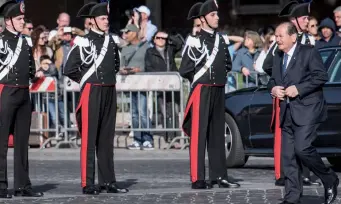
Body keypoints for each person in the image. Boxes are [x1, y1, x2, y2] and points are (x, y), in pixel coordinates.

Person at [268, 21, 339, 204]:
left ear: (293, 37)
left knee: (302, 149)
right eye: (276, 36)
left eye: (280, 36)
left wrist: (298, 89)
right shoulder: (277, 56)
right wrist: (274, 89)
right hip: (287, 111)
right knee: (288, 156)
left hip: (308, 109)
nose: (277, 39)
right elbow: (273, 79)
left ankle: (329, 178)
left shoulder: (308, 52)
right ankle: (292, 197)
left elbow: (321, 76)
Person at [63, 1, 128, 195]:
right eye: (102, 18)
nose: (106, 21)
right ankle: (88, 182)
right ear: (92, 21)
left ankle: (109, 181)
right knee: (90, 139)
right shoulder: (83, 41)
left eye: (107, 18)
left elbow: (115, 65)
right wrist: (86, 80)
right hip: (91, 90)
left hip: (109, 89)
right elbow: (69, 69)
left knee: (107, 139)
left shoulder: (111, 41)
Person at [179, 0, 240, 189]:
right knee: (199, 134)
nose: (217, 18)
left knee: (217, 134)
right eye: (213, 15)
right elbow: (185, 69)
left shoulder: (221, 40)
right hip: (202, 90)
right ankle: (198, 177)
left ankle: (219, 175)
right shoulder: (194, 41)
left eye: (217, 14)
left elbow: (227, 64)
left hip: (218, 89)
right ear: (203, 19)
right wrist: (202, 80)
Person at [263, 0, 320, 187]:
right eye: (305, 18)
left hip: (303, 98)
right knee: (286, 139)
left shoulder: (308, 40)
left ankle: (304, 174)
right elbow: (267, 65)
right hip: (285, 95)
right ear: (295, 20)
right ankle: (285, 175)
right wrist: (278, 83)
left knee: (304, 139)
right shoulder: (281, 40)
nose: (307, 21)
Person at [0, 0, 44, 198]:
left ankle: (22, 185)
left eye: (23, 18)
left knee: (22, 142)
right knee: (1, 142)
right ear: (8, 21)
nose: (22, 21)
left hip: (23, 93)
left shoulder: (26, 41)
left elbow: (31, 70)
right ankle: (1, 185)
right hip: (5, 91)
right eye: (18, 18)